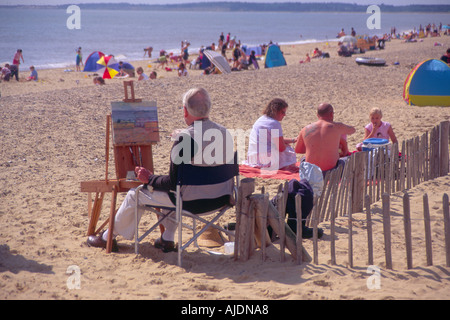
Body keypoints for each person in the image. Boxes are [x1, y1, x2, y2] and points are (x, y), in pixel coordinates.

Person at [87, 88, 235, 252]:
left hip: (190, 203)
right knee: (174, 190)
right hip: (221, 199)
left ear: (185, 111)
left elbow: (172, 182)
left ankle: (107, 237)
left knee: (135, 195)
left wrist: (149, 178)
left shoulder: (185, 139)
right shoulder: (225, 133)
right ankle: (167, 239)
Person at [295, 103, 355, 177]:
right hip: (332, 171)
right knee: (348, 159)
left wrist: (313, 146)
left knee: (304, 158)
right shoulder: (337, 126)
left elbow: (298, 150)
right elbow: (352, 130)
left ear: (317, 115)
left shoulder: (305, 129)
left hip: (311, 172)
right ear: (331, 114)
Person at [246, 98, 298, 171]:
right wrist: (286, 144)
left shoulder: (262, 119)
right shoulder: (274, 123)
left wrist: (293, 140)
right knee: (289, 150)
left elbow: (273, 139)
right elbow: (281, 148)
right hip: (265, 161)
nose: (284, 115)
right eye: (282, 112)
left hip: (253, 158)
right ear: (275, 111)